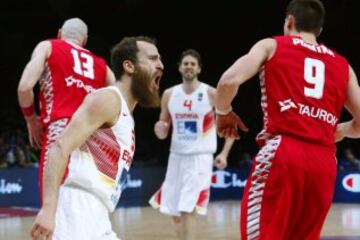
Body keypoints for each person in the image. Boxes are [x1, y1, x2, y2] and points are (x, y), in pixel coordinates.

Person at [215, 0, 360, 239]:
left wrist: (223, 112)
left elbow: (228, 81)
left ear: (289, 21)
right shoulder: (343, 65)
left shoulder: (271, 45)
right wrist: (340, 130)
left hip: (284, 153)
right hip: (324, 162)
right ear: (319, 30)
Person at [30, 36, 164, 240]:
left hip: (97, 215)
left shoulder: (125, 117)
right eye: (153, 59)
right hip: (77, 212)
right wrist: (48, 209)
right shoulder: (108, 99)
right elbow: (59, 147)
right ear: (129, 66)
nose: (161, 65)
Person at [17, 18, 115, 200]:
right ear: (84, 40)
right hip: (93, 139)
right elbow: (120, 105)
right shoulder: (102, 65)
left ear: (60, 33)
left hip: (62, 131)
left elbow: (24, 87)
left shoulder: (48, 46)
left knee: (53, 209)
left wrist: (31, 119)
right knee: (86, 210)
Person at [149, 49, 234, 240]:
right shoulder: (169, 94)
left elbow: (231, 128)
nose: (189, 66)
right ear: (179, 67)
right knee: (175, 214)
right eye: (185, 63)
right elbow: (163, 127)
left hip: (200, 158)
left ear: (199, 69)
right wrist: (160, 130)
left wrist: (224, 154)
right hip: (176, 157)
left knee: (188, 208)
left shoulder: (211, 93)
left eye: (192, 64)